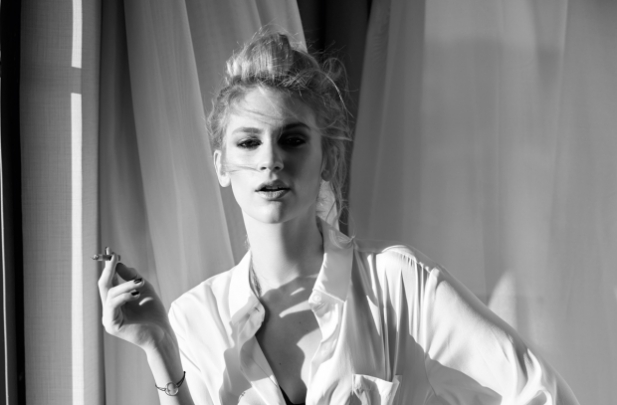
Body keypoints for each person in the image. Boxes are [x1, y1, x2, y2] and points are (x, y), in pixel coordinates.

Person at [97, 32, 579, 405]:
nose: (270, 161)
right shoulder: (194, 317)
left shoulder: (399, 284)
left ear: (326, 158)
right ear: (221, 165)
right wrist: (160, 349)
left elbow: (542, 393)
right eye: (248, 142)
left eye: (293, 140)